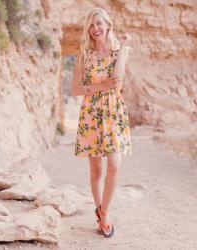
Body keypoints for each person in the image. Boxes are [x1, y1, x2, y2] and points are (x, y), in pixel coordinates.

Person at [72, 7, 131, 238]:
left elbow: (117, 81)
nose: (95, 28)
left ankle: (105, 212)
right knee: (96, 169)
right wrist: (99, 87)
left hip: (113, 112)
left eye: (99, 23)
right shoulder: (84, 55)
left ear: (108, 25)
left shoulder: (120, 52)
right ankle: (99, 212)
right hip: (91, 114)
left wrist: (124, 47)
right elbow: (76, 89)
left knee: (114, 166)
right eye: (91, 24)